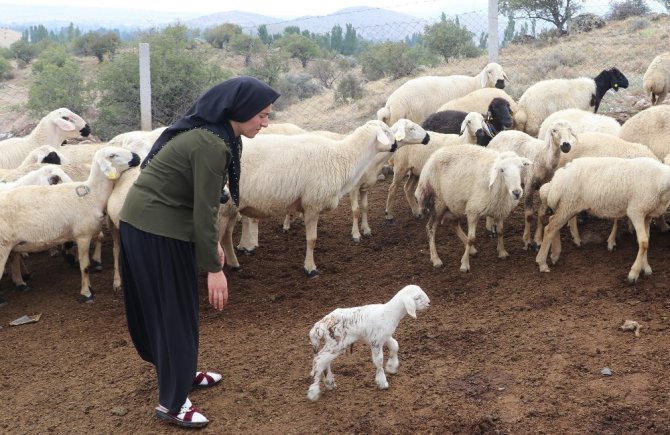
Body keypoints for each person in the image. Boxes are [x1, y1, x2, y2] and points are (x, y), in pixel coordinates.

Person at [119, 76, 280, 428]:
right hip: (154, 230)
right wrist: (213, 267)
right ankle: (172, 403)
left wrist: (206, 251)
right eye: (262, 116)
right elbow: (206, 210)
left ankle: (181, 371)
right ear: (239, 111)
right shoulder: (211, 144)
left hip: (156, 225)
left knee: (178, 308)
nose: (265, 123)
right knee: (174, 310)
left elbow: (198, 202)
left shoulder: (217, 136)